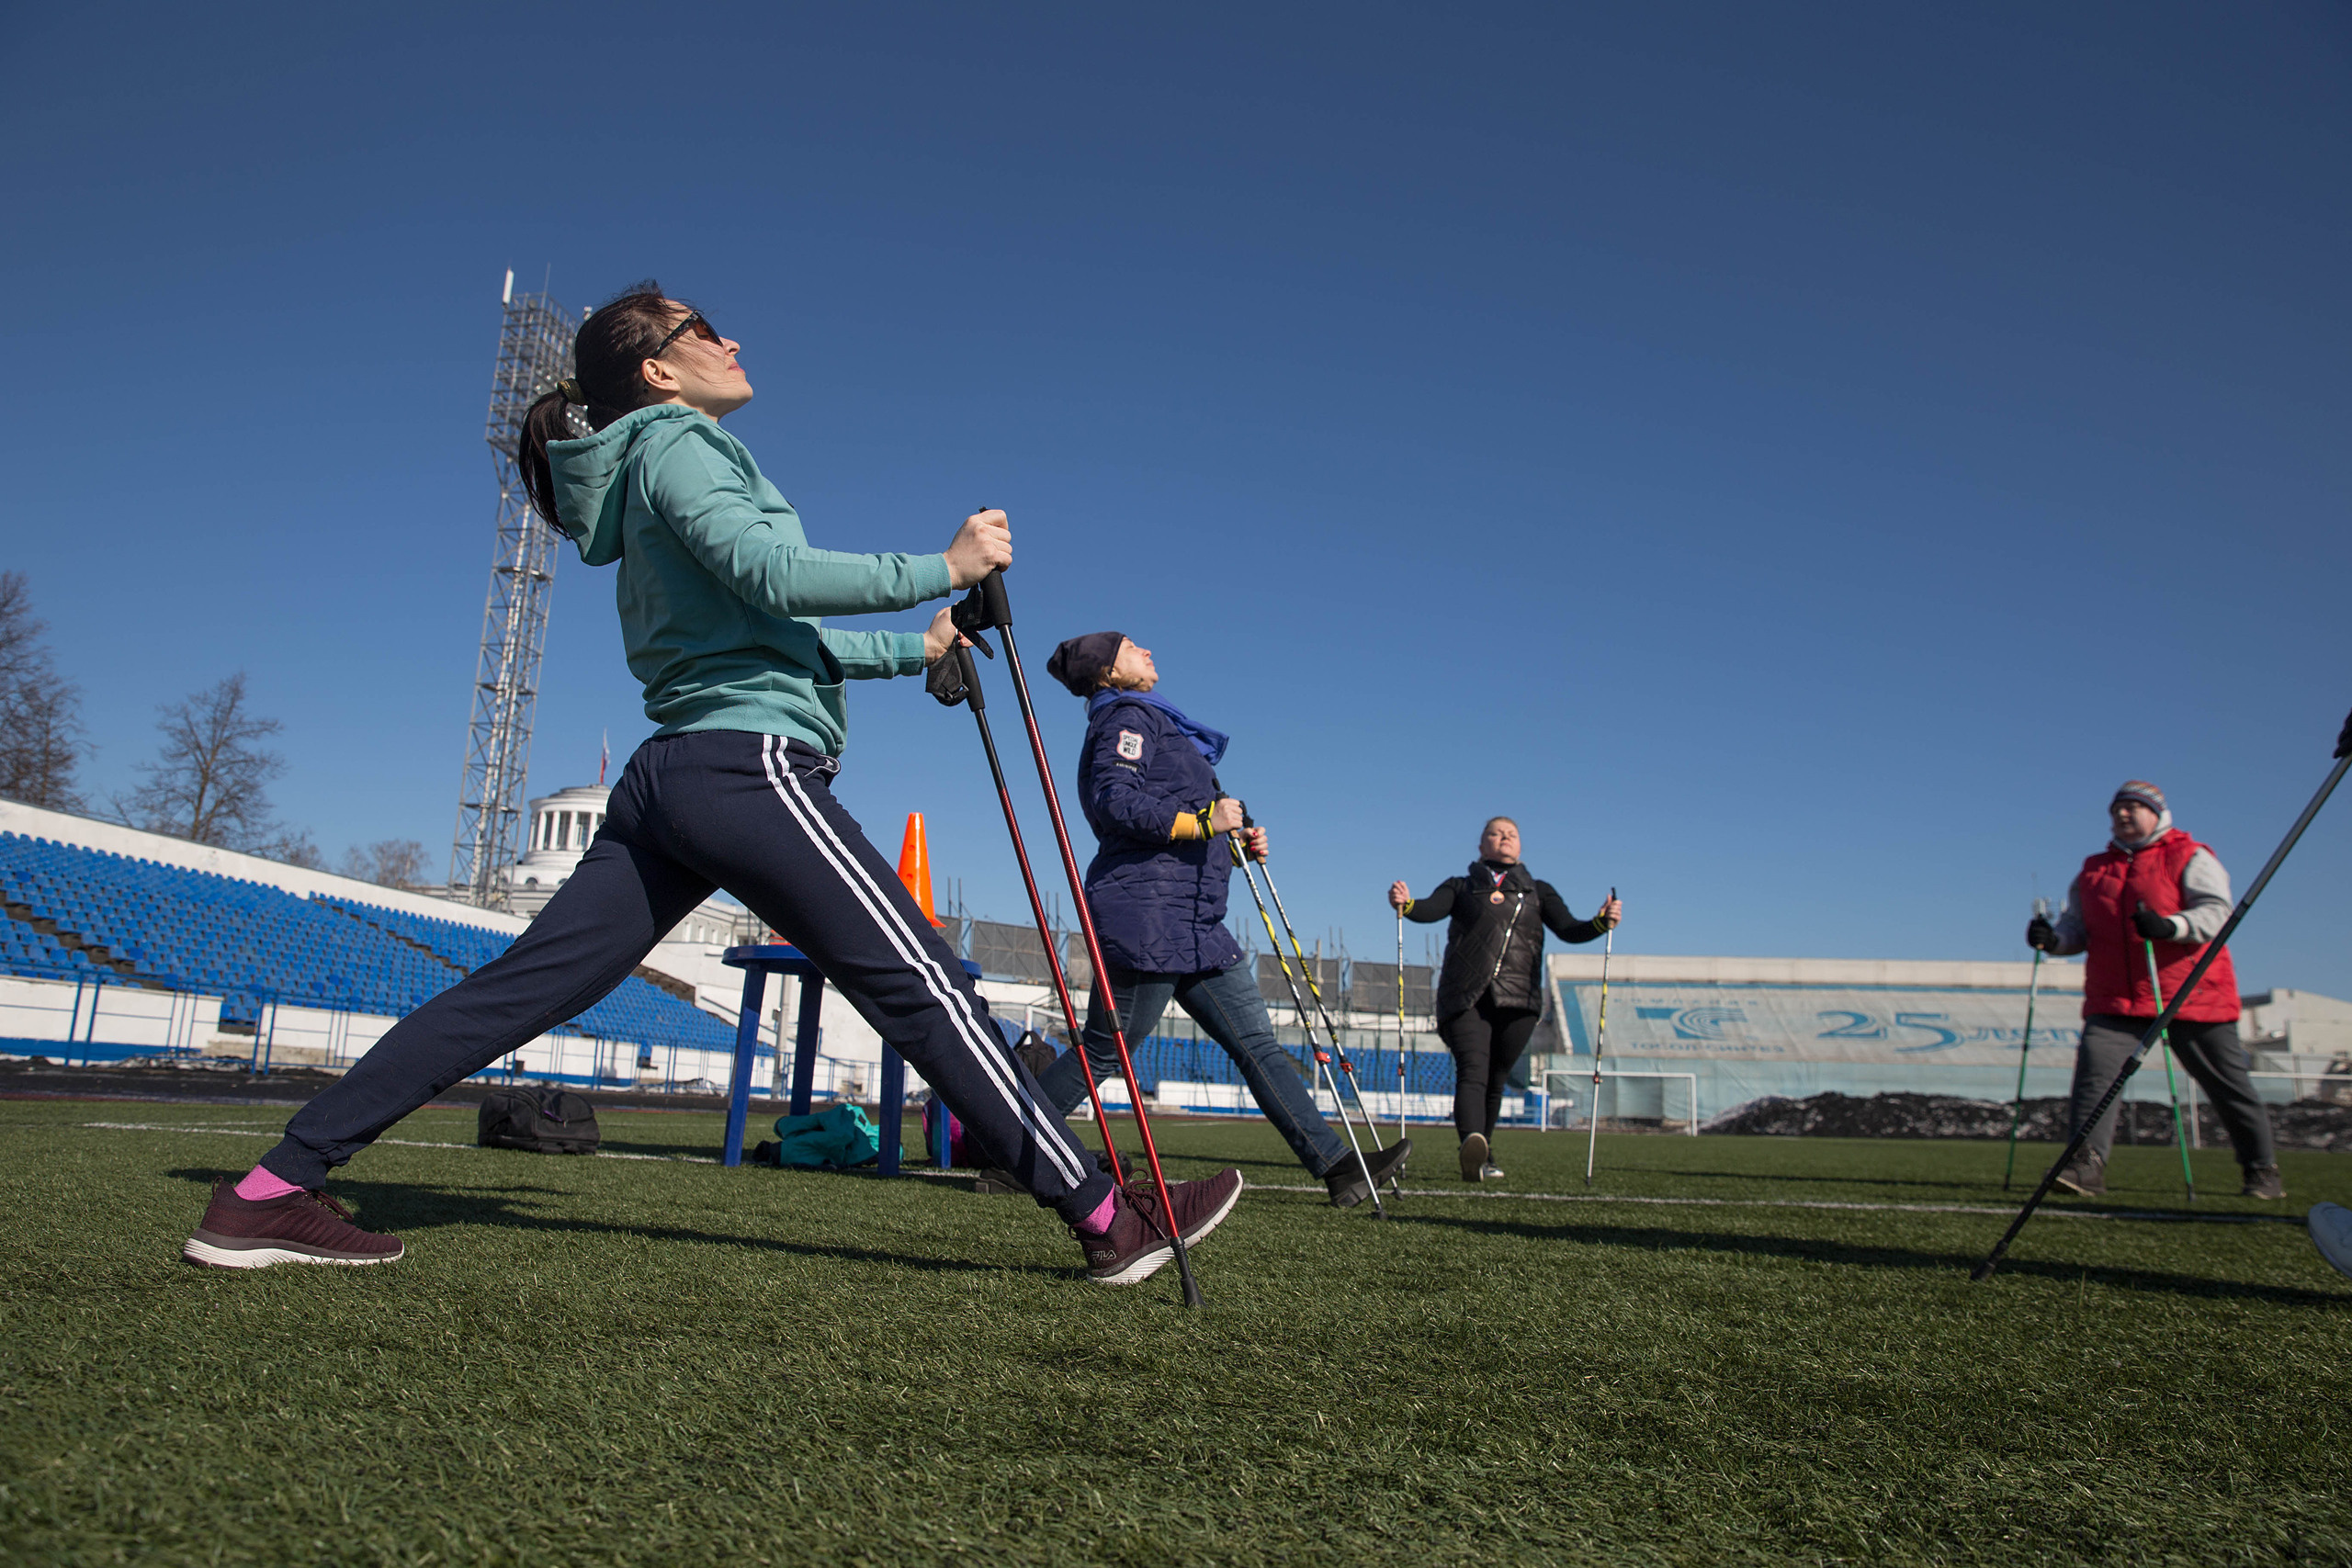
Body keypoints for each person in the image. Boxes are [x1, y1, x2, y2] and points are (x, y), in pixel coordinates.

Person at [181, 283, 1241, 1285]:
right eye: (706, 327)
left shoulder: (648, 465)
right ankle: (1110, 1219)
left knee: (513, 992)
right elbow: (774, 575)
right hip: (744, 768)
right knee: (923, 983)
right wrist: (941, 565)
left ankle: (268, 1191)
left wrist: (912, 650)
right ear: (656, 371)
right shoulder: (682, 445)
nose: (732, 342)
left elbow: (766, 628)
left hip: (677, 778)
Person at [1025, 630, 1410, 1208]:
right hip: (1148, 918)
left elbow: (1169, 823)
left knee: (1258, 1043)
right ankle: (1008, 1144)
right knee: (1105, 1051)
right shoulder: (1125, 718)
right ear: (1107, 673)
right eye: (1131, 647)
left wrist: (1228, 844)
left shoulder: (1150, 718)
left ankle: (1338, 1168)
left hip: (1193, 922)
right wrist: (1206, 821)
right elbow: (1115, 801)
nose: (1148, 650)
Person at [2026, 780, 2280, 1200]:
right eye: (2116, 809)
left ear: (2158, 814)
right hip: (2115, 999)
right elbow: (2078, 929)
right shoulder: (2092, 870)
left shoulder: (2190, 855)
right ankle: (2085, 1166)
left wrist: (2171, 926)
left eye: (2133, 808)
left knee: (2227, 1085)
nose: (2123, 815)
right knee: (2095, 1080)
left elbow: (2218, 913)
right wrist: (2051, 940)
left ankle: (2261, 1169)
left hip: (2190, 994)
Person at [1389, 819, 1621, 1182]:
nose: (1505, 838)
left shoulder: (1539, 891)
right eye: (1496, 833)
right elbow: (1429, 909)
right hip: (1466, 995)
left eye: (1512, 833)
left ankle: (1483, 1152)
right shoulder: (1461, 886)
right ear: (1481, 844)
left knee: (1497, 1078)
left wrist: (1600, 923)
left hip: (1519, 999)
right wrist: (1408, 904)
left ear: (1521, 845)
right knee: (1473, 1068)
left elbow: (1569, 929)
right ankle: (1471, 1143)